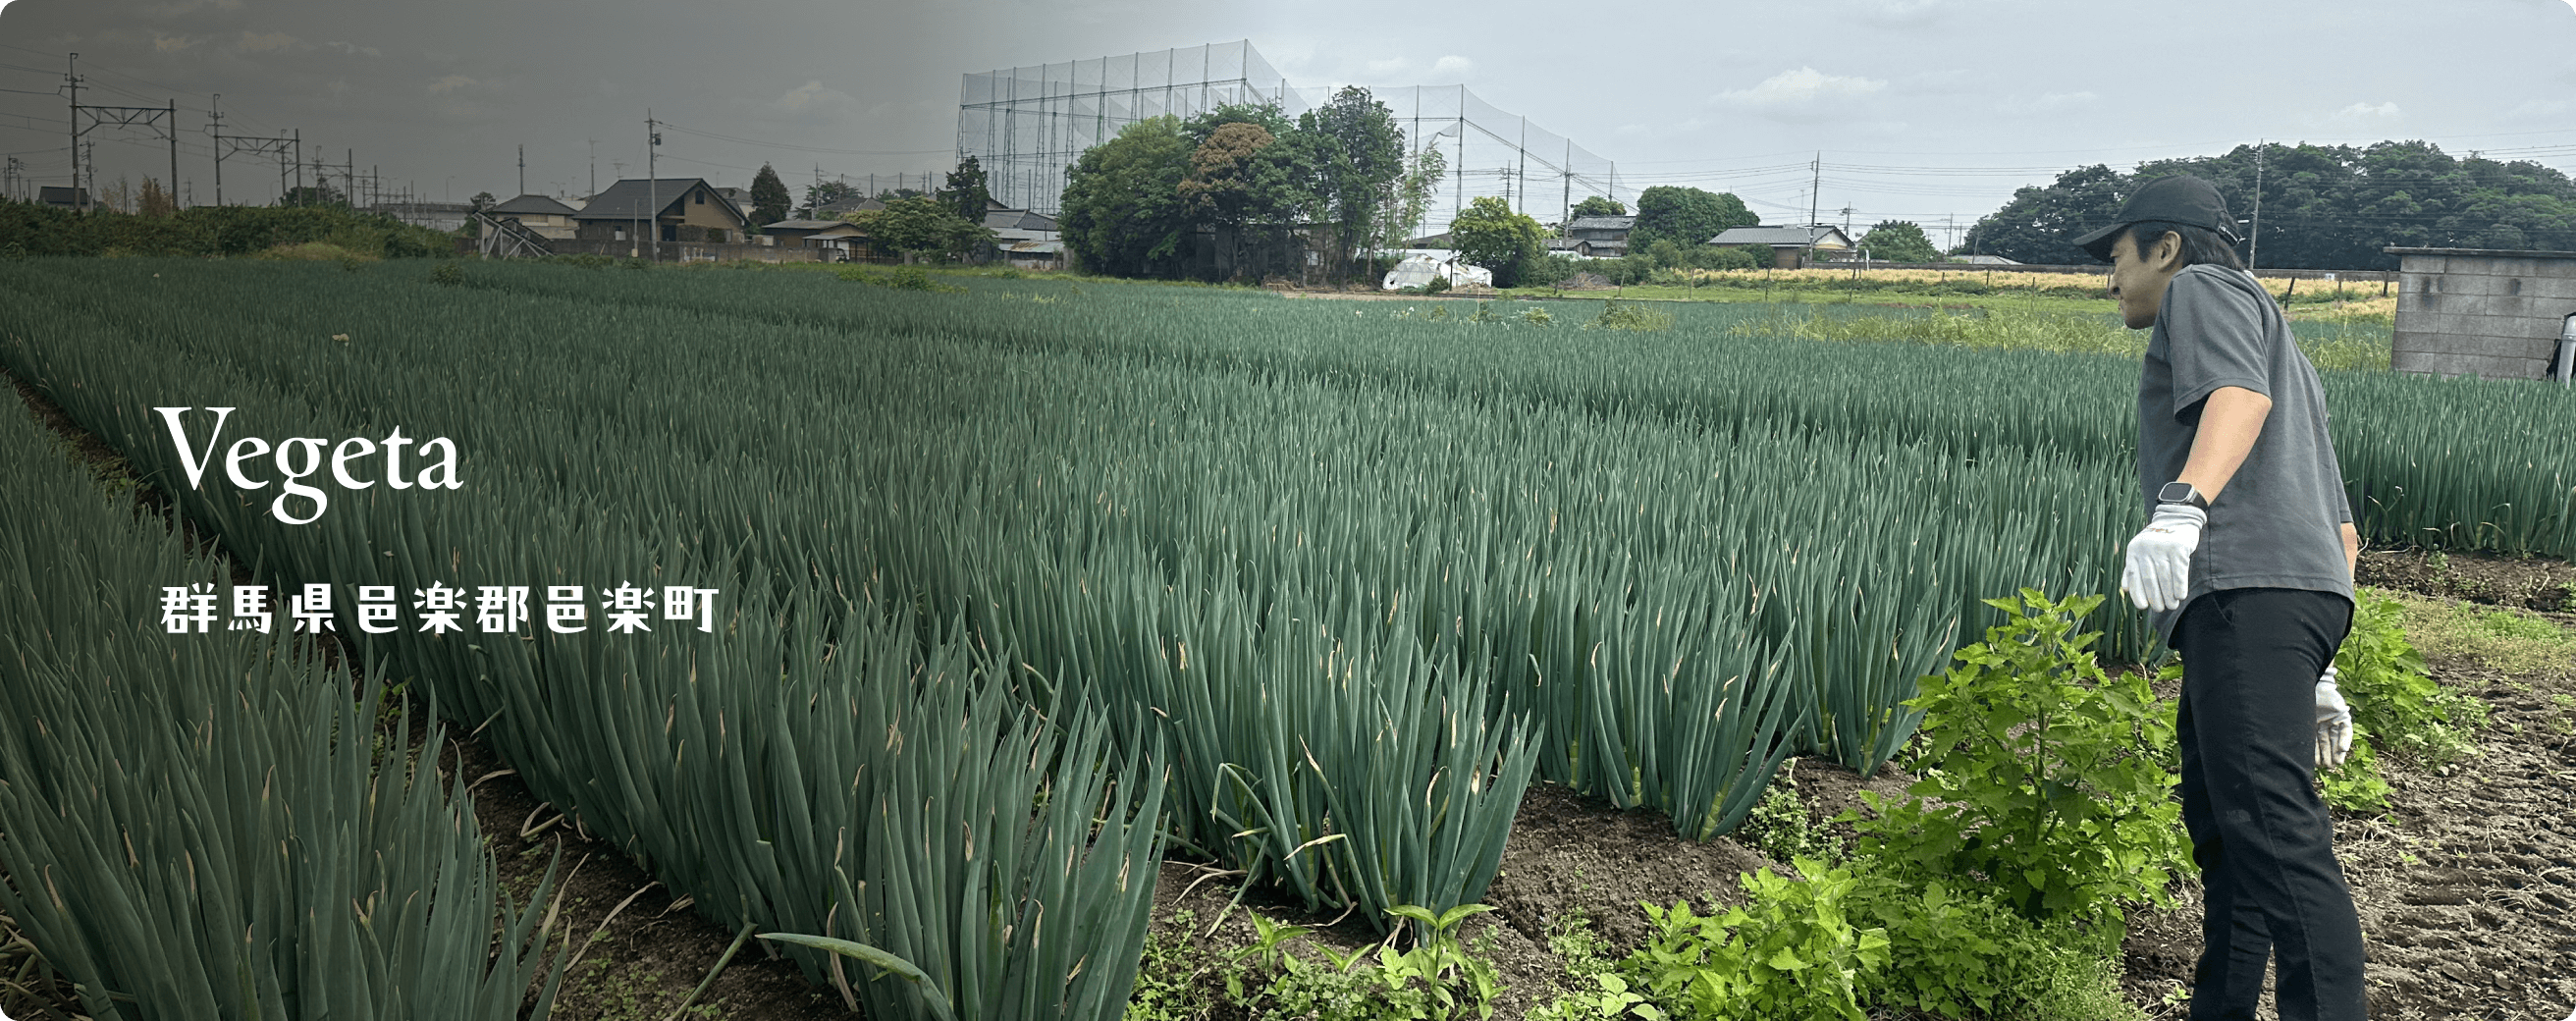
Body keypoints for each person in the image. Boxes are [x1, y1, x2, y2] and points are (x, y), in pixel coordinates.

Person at [2075, 174, 2367, 1021]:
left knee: (2274, 831)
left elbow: (2236, 400)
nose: (2111, 278)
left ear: (2165, 247)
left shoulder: (2202, 288)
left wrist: (2181, 509)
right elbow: (2344, 531)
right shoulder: (2284, 346)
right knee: (2236, 837)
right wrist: (2319, 670)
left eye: (2118, 256)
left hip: (2246, 590)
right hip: (2294, 598)